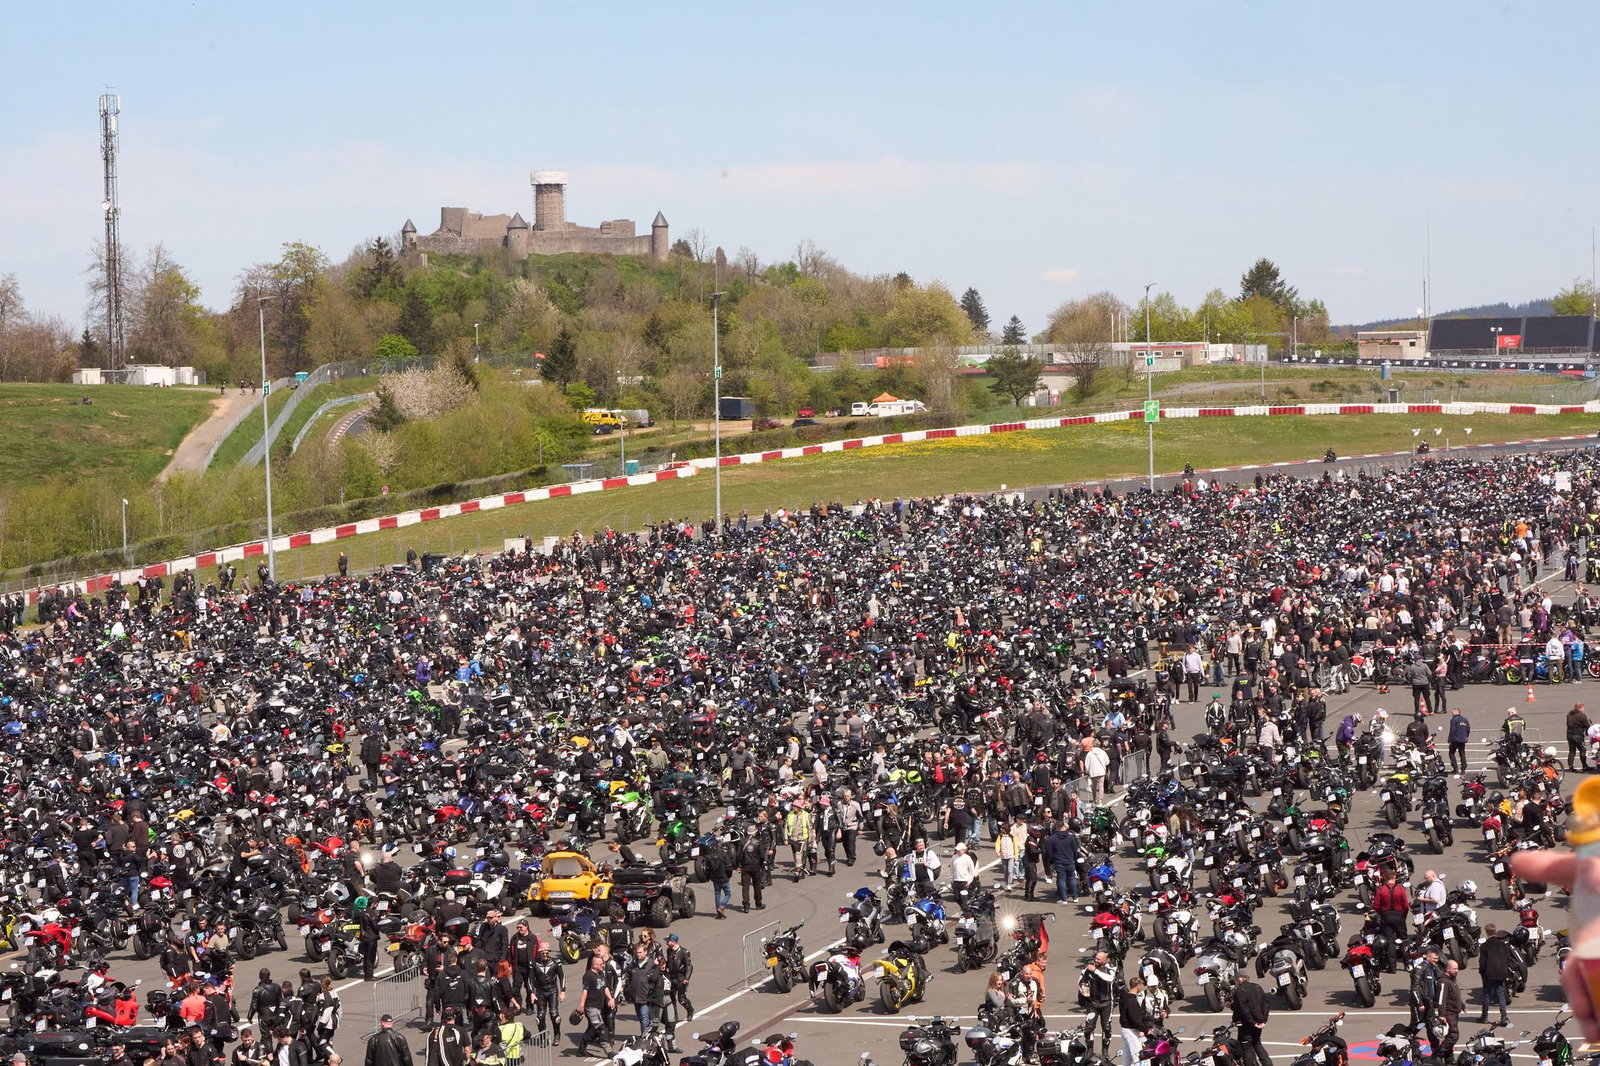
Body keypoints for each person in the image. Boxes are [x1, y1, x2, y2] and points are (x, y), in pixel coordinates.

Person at [1476, 924, 1517, 1025]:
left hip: (1489, 973)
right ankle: (1504, 1015)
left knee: (1486, 994)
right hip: (1501, 972)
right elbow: (1508, 959)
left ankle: (1484, 1016)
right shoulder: (1503, 945)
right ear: (1495, 931)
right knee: (1500, 994)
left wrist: (1482, 971)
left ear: (1486, 932)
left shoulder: (1485, 946)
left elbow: (1482, 962)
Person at [576, 955, 615, 1057]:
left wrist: (610, 998)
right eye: (601, 964)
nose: (603, 965)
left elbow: (605, 987)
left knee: (592, 1029)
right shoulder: (588, 976)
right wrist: (581, 1005)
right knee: (601, 1028)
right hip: (591, 1008)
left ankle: (581, 1049)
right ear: (594, 965)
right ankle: (609, 1051)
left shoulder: (601, 973)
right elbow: (585, 991)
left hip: (599, 1007)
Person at [1231, 974, 1272, 1066]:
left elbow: (1243, 1009)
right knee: (1257, 1043)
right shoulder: (1257, 987)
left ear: (1238, 979)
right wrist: (1263, 1020)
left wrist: (1252, 1022)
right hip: (1259, 1022)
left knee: (1247, 1047)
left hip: (1246, 1025)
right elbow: (1266, 1003)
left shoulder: (1240, 991)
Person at [1082, 950, 1116, 1059]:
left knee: (1106, 1028)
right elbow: (1081, 980)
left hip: (1107, 1003)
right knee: (1089, 1027)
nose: (1096, 961)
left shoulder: (1111, 968)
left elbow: (1110, 979)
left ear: (1105, 960)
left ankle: (1105, 1050)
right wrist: (1084, 989)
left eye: (1098, 959)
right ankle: (1089, 1049)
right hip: (1092, 1002)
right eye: (1095, 958)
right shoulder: (1088, 968)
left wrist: (1095, 971)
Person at [662, 933, 693, 1051]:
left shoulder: (684, 952)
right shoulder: (669, 951)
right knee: (671, 999)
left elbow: (689, 966)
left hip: (680, 978)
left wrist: (686, 978)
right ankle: (674, 1015)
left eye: (668, 941)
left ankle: (690, 1009)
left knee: (682, 999)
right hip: (672, 977)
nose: (666, 943)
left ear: (673, 942)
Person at [1118, 974, 1154, 1066]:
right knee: (1138, 1056)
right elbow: (1135, 1019)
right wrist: (1146, 1030)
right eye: (1141, 985)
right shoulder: (1132, 1001)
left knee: (1128, 1057)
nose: (1142, 987)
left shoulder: (1125, 997)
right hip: (1130, 1031)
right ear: (1138, 986)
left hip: (1125, 1029)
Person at [1438, 959, 1465, 1061]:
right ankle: (1440, 1053)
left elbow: (1455, 995)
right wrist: (1442, 1014)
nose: (1456, 971)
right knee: (1454, 1035)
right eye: (1454, 969)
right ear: (1447, 969)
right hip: (1449, 1012)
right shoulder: (1444, 982)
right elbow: (1442, 998)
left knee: (1451, 1034)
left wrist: (1461, 1004)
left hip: (1454, 1011)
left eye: (1457, 969)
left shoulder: (1452, 979)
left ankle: (1449, 1058)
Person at [1045, 822, 1080, 902]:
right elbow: (1075, 850)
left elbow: (1049, 853)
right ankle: (1075, 897)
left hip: (1059, 861)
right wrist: (1074, 858)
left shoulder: (1051, 839)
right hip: (1070, 861)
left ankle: (1064, 899)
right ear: (1064, 827)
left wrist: (1052, 862)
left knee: (1061, 880)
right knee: (1072, 879)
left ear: (1057, 828)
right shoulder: (1070, 837)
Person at [1448, 708, 1471, 775]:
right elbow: (1468, 729)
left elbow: (1452, 730)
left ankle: (1455, 768)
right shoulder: (1465, 719)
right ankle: (1463, 769)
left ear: (1455, 712)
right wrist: (1466, 736)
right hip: (1463, 739)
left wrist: (1450, 739)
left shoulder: (1453, 720)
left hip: (1455, 739)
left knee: (1451, 753)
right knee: (1462, 753)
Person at [1569, 704, 1592, 772]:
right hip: (1578, 735)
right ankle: (1584, 766)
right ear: (1580, 708)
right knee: (1582, 750)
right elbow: (1587, 725)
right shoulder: (1582, 715)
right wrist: (1588, 732)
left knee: (1572, 751)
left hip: (1569, 734)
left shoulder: (1569, 714)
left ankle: (1571, 767)